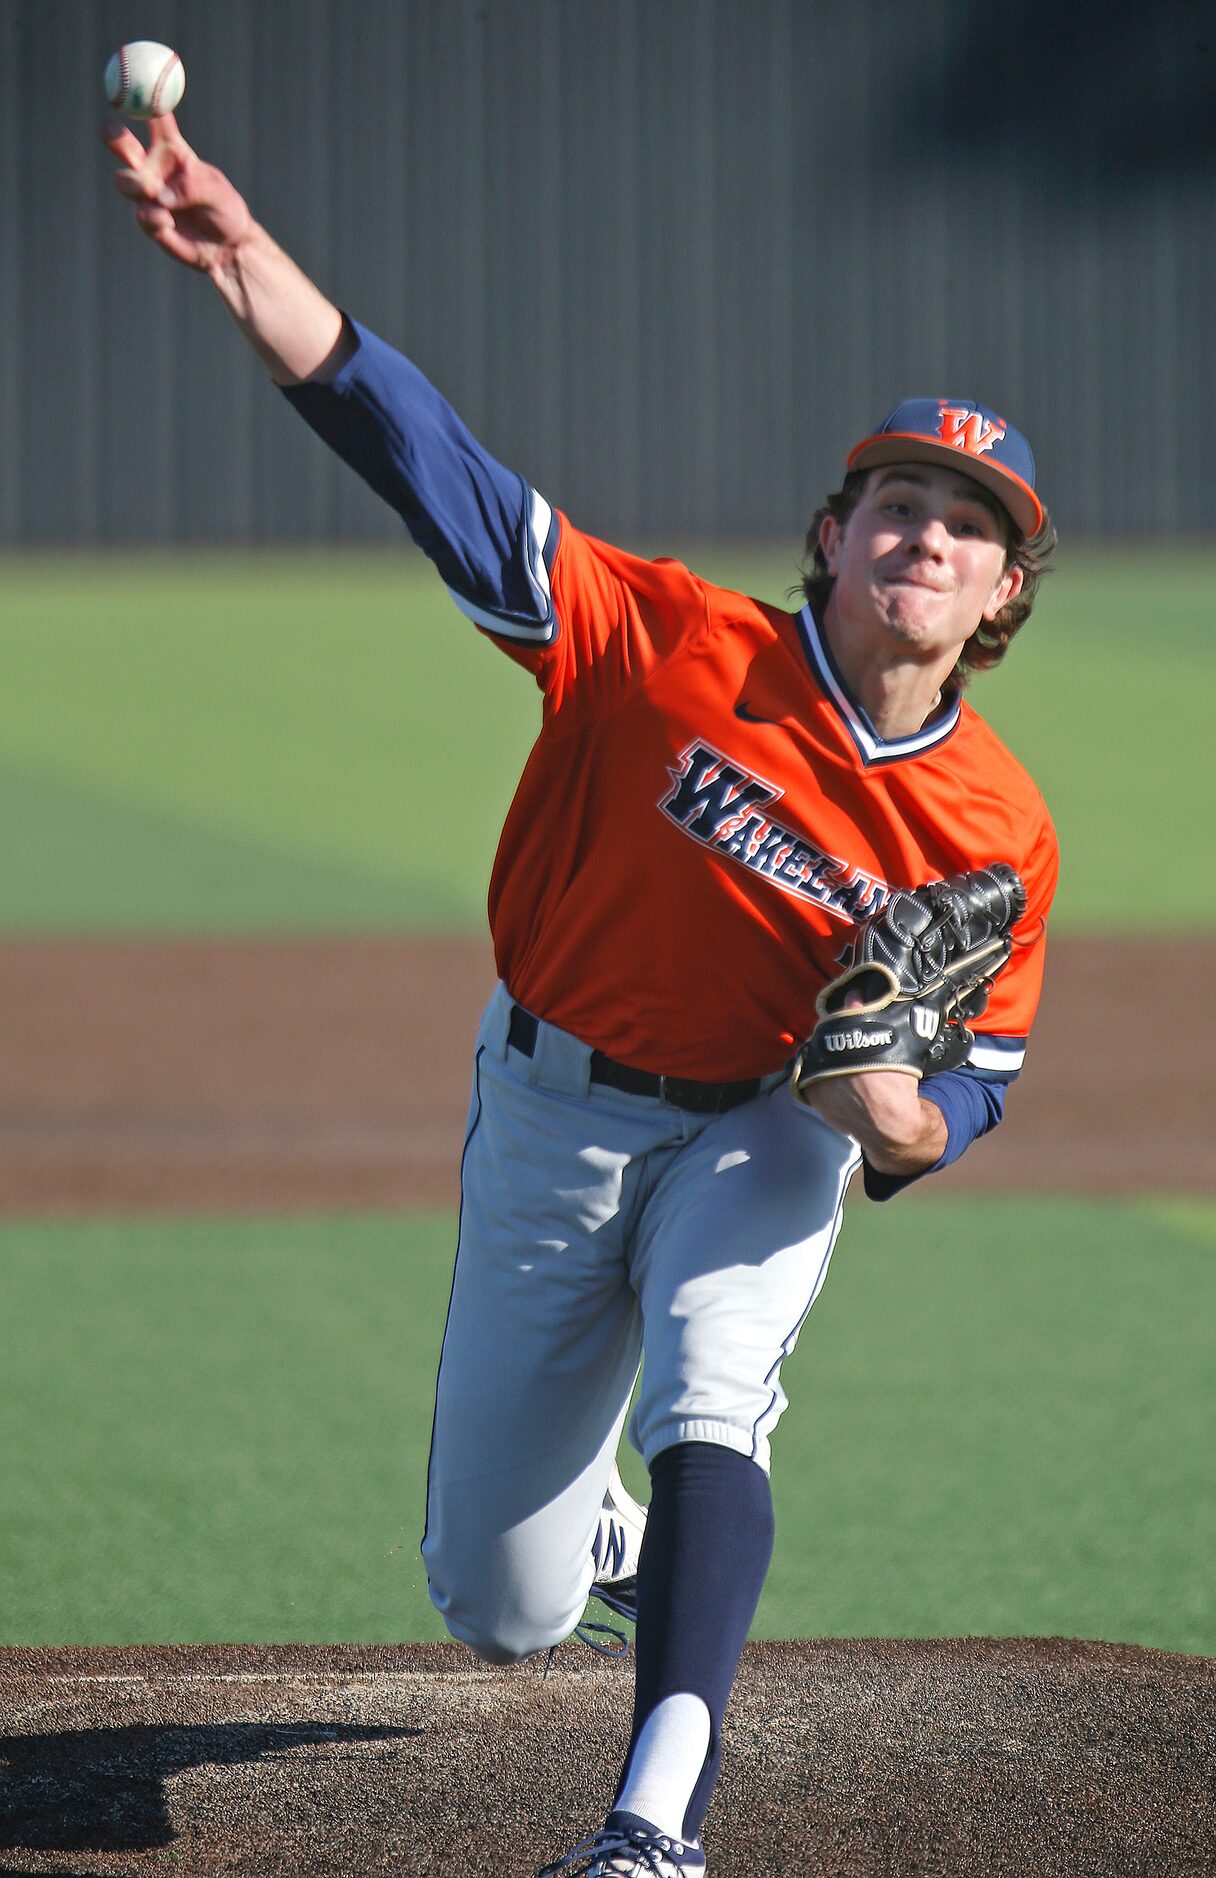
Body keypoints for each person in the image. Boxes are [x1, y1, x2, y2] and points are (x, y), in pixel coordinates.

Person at [104, 113, 1059, 1878]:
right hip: (555, 1106)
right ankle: (604, 1546)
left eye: (972, 525)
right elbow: (426, 454)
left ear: (1004, 595)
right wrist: (243, 257)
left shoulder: (1000, 828)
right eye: (901, 502)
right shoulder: (661, 634)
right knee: (497, 1605)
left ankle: (651, 1826)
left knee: (717, 1388)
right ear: (835, 535)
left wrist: (898, 1116)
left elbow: (976, 1072)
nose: (930, 533)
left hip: (771, 1126)